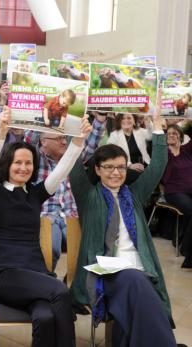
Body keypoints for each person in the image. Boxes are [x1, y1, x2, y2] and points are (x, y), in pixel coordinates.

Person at [69, 110, 179, 346]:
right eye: (108, 167)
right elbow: (73, 166)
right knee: (138, 283)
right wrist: (76, 133)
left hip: (139, 270)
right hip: (102, 272)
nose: (116, 173)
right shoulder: (88, 196)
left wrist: (158, 126)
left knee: (139, 298)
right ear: (97, 170)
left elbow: (158, 165)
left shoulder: (135, 195)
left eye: (120, 167)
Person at [0, 109, 91, 347]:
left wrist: (79, 140)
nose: (24, 167)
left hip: (36, 274)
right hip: (5, 275)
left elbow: (63, 168)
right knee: (61, 291)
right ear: (7, 164)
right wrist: (1, 132)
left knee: (45, 317)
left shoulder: (35, 193)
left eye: (28, 163)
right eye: (17, 162)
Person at [24, 113, 107, 270]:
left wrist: (100, 119)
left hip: (72, 215)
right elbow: (29, 140)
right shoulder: (34, 158)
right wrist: (44, 113)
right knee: (51, 249)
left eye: (65, 138)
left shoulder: (72, 157)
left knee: (88, 252)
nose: (64, 141)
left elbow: (91, 143)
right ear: (44, 142)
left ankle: (74, 284)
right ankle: (45, 280)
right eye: (58, 139)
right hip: (46, 216)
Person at [161, 124, 192, 269]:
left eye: (174, 133)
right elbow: (163, 177)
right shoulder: (164, 153)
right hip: (174, 191)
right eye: (169, 133)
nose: (171, 135)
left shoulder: (186, 151)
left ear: (180, 136)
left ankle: (182, 240)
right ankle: (186, 249)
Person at [107, 113, 153, 184]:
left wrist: (148, 122)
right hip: (126, 169)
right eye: (123, 118)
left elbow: (152, 135)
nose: (126, 120)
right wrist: (129, 165)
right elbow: (110, 155)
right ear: (119, 121)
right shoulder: (114, 135)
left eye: (129, 118)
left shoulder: (140, 131)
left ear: (134, 120)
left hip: (145, 166)